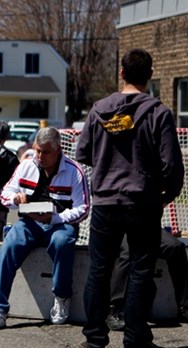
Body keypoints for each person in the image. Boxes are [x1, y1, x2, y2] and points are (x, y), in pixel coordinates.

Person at [76, 48, 184, 348]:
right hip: (143, 203)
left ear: (121, 73)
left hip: (106, 203)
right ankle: (135, 338)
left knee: (99, 271)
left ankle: (95, 339)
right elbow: (173, 165)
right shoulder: (158, 112)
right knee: (140, 270)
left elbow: (83, 153)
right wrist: (168, 195)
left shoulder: (99, 109)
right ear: (150, 75)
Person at [0, 127, 90, 330]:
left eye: (46, 152)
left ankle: (61, 296)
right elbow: (5, 193)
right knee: (9, 245)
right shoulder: (26, 165)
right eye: (37, 150)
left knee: (62, 242)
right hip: (29, 223)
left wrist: (56, 218)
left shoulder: (75, 171)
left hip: (60, 225)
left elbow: (83, 209)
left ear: (58, 149)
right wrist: (16, 198)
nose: (40, 156)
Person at [106, 229, 188, 331]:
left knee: (175, 247)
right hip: (123, 229)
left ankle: (184, 306)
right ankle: (115, 308)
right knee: (129, 252)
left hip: (147, 226)